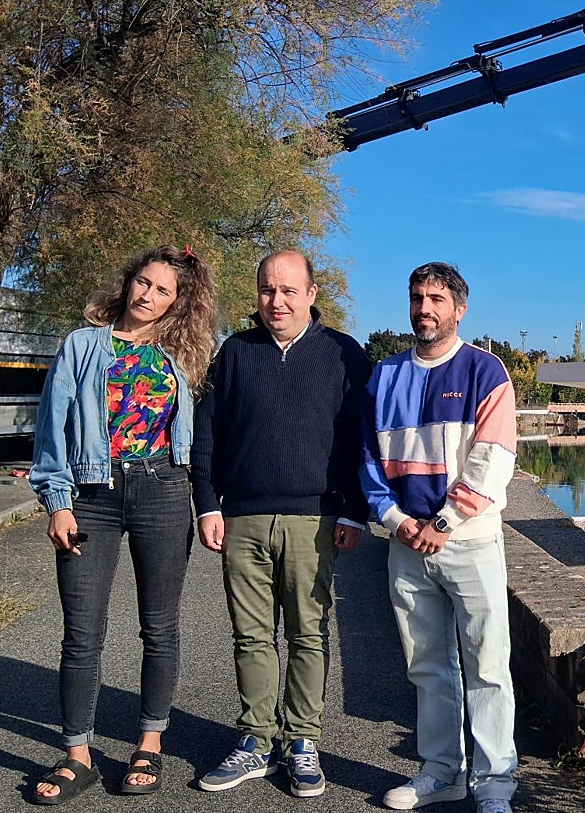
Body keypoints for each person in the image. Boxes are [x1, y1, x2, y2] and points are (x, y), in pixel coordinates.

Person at [29, 245, 217, 803]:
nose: (148, 296)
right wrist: (57, 501)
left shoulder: (185, 354)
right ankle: (77, 756)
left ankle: (149, 744)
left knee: (159, 626)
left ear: (178, 302)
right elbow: (52, 427)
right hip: (92, 496)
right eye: (144, 282)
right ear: (128, 281)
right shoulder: (83, 345)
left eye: (163, 291)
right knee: (82, 631)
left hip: (163, 490)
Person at [191, 250, 370, 798]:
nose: (277, 301)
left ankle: (302, 741)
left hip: (315, 518)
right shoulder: (234, 353)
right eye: (268, 290)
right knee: (251, 636)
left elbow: (362, 440)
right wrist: (207, 504)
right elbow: (207, 434)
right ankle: (256, 740)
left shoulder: (343, 354)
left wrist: (355, 510)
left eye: (289, 290)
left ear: (312, 294)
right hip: (242, 516)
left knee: (308, 635)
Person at [360, 262, 519, 813]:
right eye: (416, 298)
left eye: (436, 299)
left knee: (488, 665)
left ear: (459, 309)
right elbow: (367, 457)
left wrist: (444, 522)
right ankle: (442, 773)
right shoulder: (384, 375)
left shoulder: (484, 370)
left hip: (469, 541)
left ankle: (495, 784)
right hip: (406, 543)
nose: (424, 309)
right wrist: (395, 520)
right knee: (426, 664)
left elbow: (493, 458)